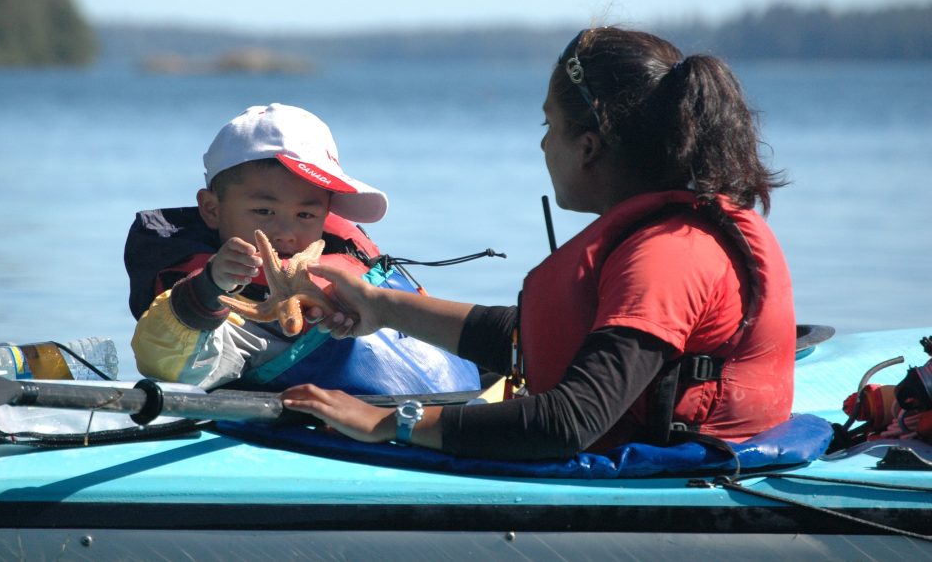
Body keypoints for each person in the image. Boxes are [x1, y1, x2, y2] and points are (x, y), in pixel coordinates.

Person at [282, 27, 796, 460]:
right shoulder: (665, 237)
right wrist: (380, 307)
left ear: (589, 147)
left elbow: (571, 421)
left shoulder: (669, 254)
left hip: (684, 481)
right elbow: (530, 337)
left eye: (549, 124)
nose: (544, 143)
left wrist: (387, 423)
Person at [126, 103, 479, 393]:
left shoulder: (352, 286)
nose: (286, 233)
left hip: (448, 407)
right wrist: (210, 286)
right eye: (264, 211)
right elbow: (169, 365)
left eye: (306, 214)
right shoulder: (233, 315)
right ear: (212, 209)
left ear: (326, 214)